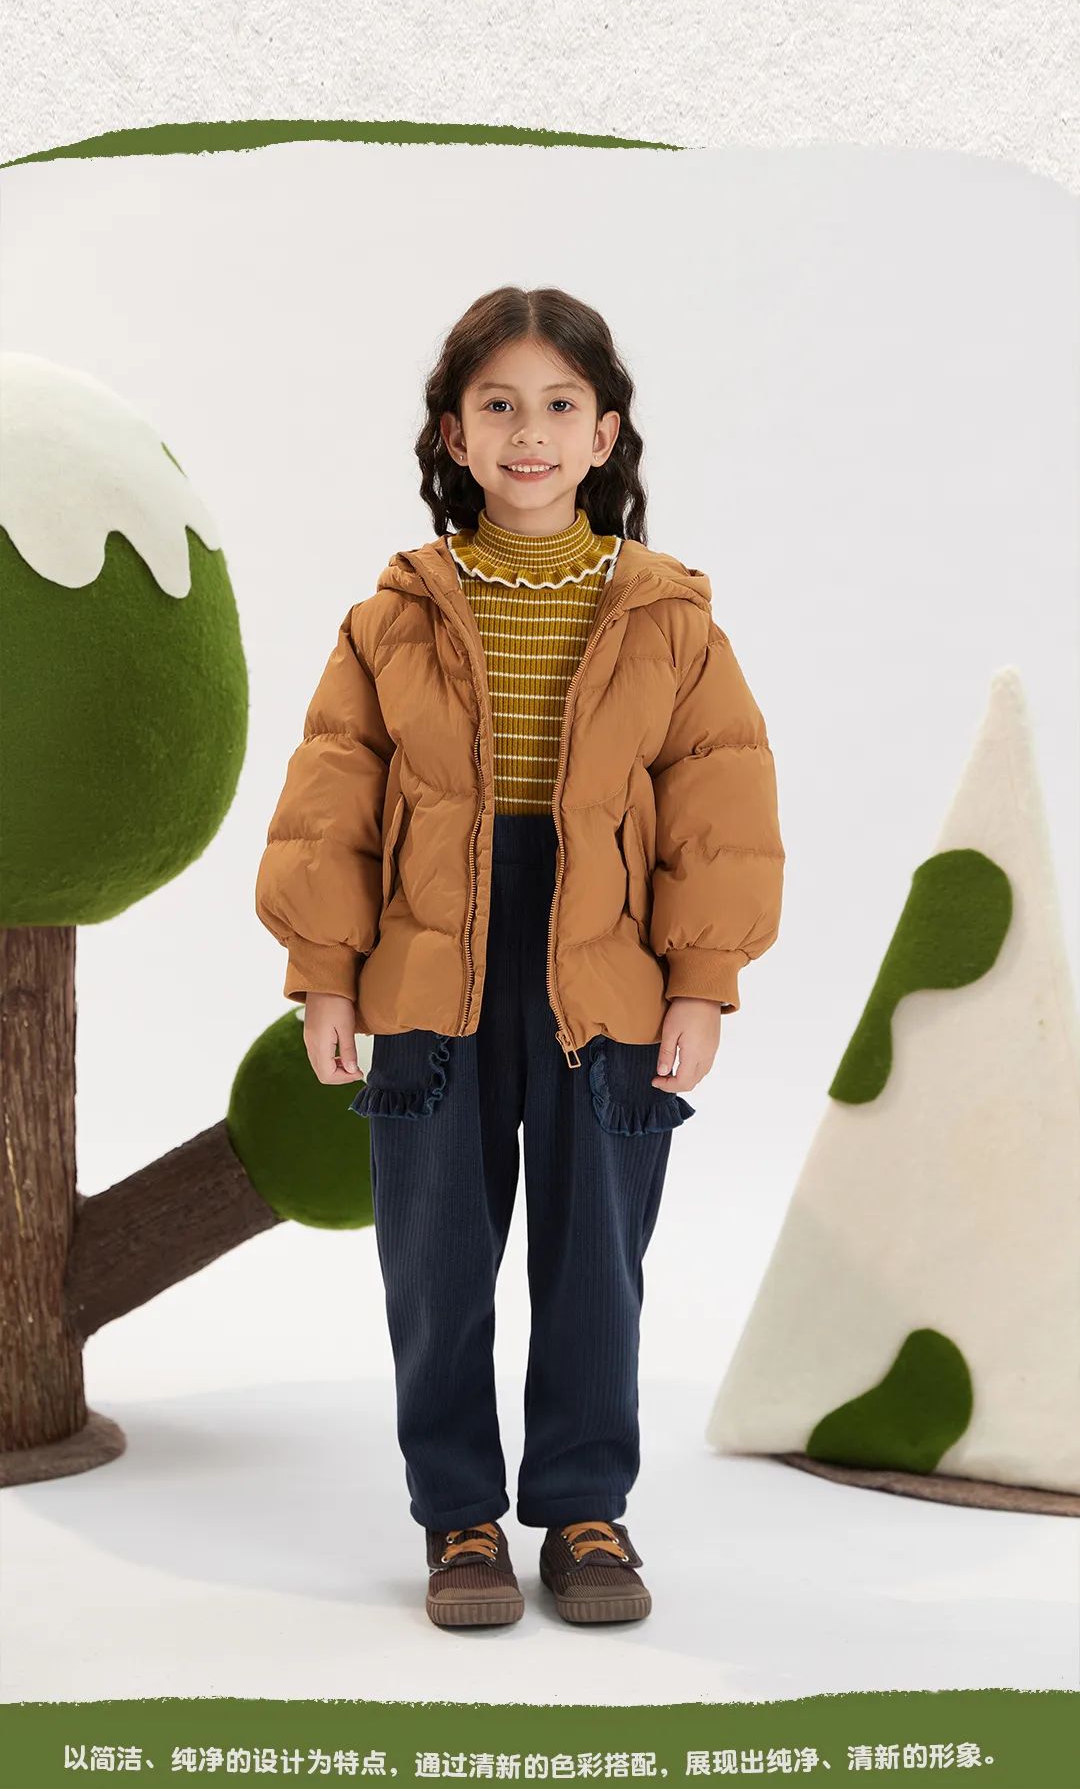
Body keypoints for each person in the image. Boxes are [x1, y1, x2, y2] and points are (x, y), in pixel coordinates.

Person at [255, 284, 785, 1631]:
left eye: (559, 405)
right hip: (429, 972)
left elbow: (720, 807)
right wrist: (326, 970)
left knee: (597, 1255)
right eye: (498, 404)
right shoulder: (393, 616)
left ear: (605, 433)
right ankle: (460, 1516)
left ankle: (587, 1507)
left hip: (605, 971)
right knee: (435, 1257)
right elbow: (332, 800)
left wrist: (701, 979)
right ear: (455, 431)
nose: (529, 432)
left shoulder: (669, 617)